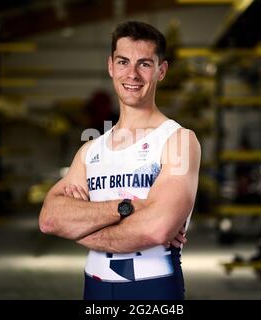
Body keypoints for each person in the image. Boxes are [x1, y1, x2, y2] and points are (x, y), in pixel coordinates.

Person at [39, 21, 201, 300]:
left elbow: (157, 229)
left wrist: (80, 227)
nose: (132, 74)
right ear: (111, 66)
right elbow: (51, 219)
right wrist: (127, 208)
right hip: (96, 287)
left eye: (145, 64)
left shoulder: (178, 141)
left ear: (161, 71)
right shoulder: (90, 150)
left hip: (153, 288)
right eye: (123, 62)